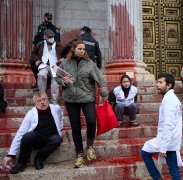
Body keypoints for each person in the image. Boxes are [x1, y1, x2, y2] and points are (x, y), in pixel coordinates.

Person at [55, 39, 108, 168]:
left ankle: (89, 146)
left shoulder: (90, 64)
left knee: (91, 121)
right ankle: (79, 154)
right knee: (75, 126)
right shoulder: (65, 63)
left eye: (84, 49)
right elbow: (57, 77)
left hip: (87, 97)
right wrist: (63, 82)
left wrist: (104, 94)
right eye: (80, 49)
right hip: (70, 98)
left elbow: (100, 79)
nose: (82, 51)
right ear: (74, 49)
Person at [3, 93, 63, 174]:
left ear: (47, 99)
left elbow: (60, 117)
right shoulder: (31, 114)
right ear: (35, 103)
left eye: (44, 99)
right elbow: (20, 133)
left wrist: (60, 129)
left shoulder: (56, 108)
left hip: (51, 138)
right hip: (38, 139)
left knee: (57, 139)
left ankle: (39, 158)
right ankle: (21, 163)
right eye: (39, 101)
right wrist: (11, 154)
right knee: (28, 136)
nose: (42, 102)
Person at [141, 73, 183, 180]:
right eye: (157, 82)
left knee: (144, 152)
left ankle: (157, 178)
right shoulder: (170, 98)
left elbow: (168, 125)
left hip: (167, 139)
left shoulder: (169, 100)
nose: (157, 85)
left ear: (169, 85)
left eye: (160, 82)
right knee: (173, 168)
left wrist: (163, 148)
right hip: (171, 139)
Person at [32, 29, 62, 104]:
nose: (51, 38)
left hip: (55, 65)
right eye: (49, 37)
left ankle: (54, 100)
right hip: (44, 64)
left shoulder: (58, 45)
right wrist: (36, 60)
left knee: (55, 79)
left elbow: (65, 53)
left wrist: (62, 59)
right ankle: (43, 96)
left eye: (52, 37)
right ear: (45, 37)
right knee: (41, 75)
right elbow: (33, 53)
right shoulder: (40, 44)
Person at [31, 13, 61, 89]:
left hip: (50, 50)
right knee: (32, 61)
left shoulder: (54, 28)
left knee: (49, 65)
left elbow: (57, 41)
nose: (49, 20)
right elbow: (37, 38)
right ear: (44, 18)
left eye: (50, 18)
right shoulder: (40, 27)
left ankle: (48, 82)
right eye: (48, 18)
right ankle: (38, 81)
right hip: (40, 49)